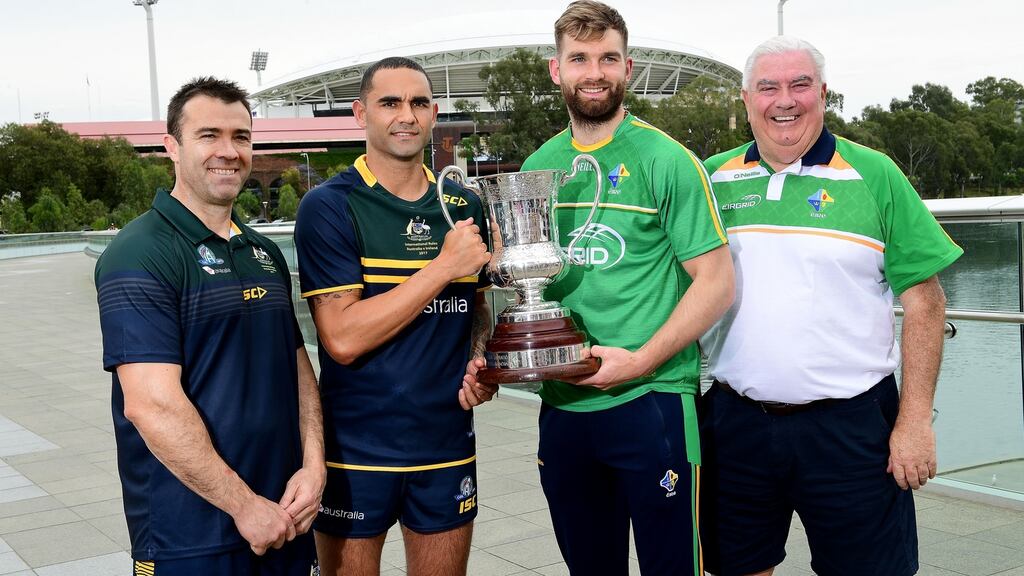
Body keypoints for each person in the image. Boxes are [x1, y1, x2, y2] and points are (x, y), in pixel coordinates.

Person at [699, 36, 963, 576]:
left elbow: (926, 304)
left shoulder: (875, 174)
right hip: (734, 424)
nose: (784, 100)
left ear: (823, 93)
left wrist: (914, 422)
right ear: (746, 99)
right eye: (768, 87)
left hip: (852, 427)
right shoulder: (711, 178)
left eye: (800, 85)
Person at [501, 2, 735, 574]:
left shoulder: (666, 159)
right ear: (556, 71)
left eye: (608, 58)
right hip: (565, 402)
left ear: (628, 68)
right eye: (579, 58)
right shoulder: (539, 165)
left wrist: (640, 361)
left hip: (651, 399)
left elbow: (718, 282)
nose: (594, 72)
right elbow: (532, 287)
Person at [95, 77, 325, 575]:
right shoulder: (139, 253)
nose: (229, 151)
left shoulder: (262, 253)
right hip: (190, 537)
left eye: (241, 136)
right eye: (208, 136)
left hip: (285, 516)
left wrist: (314, 465)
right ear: (171, 147)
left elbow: (296, 365)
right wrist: (245, 507)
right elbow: (151, 405)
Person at [293, 57, 495, 576]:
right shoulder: (330, 206)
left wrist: (479, 361)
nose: (405, 115)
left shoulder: (464, 203)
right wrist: (443, 265)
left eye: (419, 103)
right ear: (361, 113)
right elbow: (341, 337)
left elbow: (476, 308)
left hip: (446, 444)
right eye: (390, 103)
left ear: (433, 115)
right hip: (356, 453)